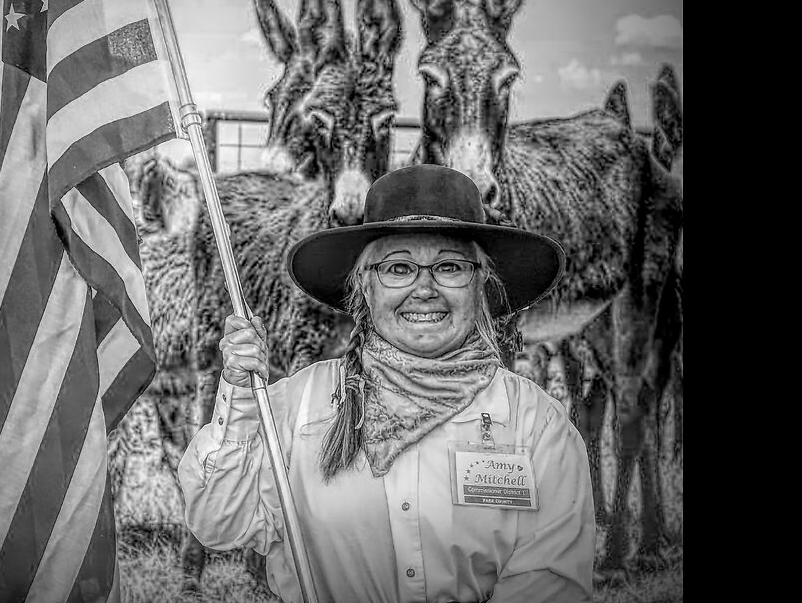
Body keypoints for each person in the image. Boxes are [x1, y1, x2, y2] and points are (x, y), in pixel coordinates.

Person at [178, 164, 595, 603]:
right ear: (364, 286)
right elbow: (218, 522)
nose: (425, 288)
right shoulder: (297, 406)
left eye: (450, 266)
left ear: (480, 285)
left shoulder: (536, 425)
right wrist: (241, 401)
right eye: (398, 268)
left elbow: (551, 583)